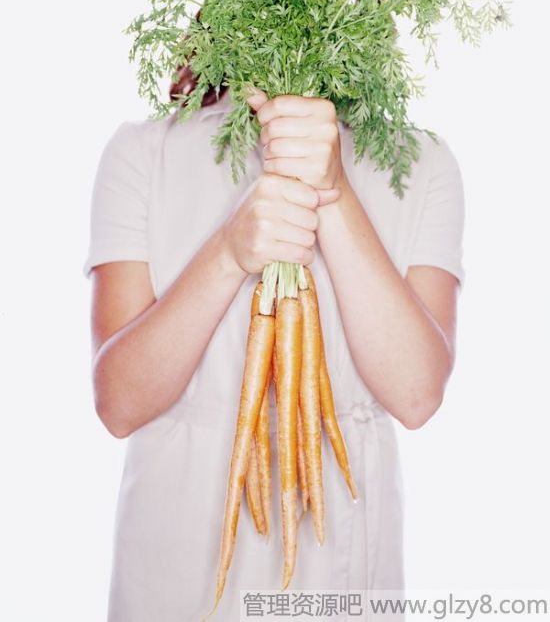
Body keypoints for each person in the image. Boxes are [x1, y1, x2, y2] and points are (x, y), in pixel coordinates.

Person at [83, 73, 465, 620]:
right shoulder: (145, 150)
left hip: (344, 538)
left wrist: (331, 190)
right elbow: (118, 405)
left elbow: (416, 393)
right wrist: (226, 254)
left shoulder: (422, 160)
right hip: (181, 536)